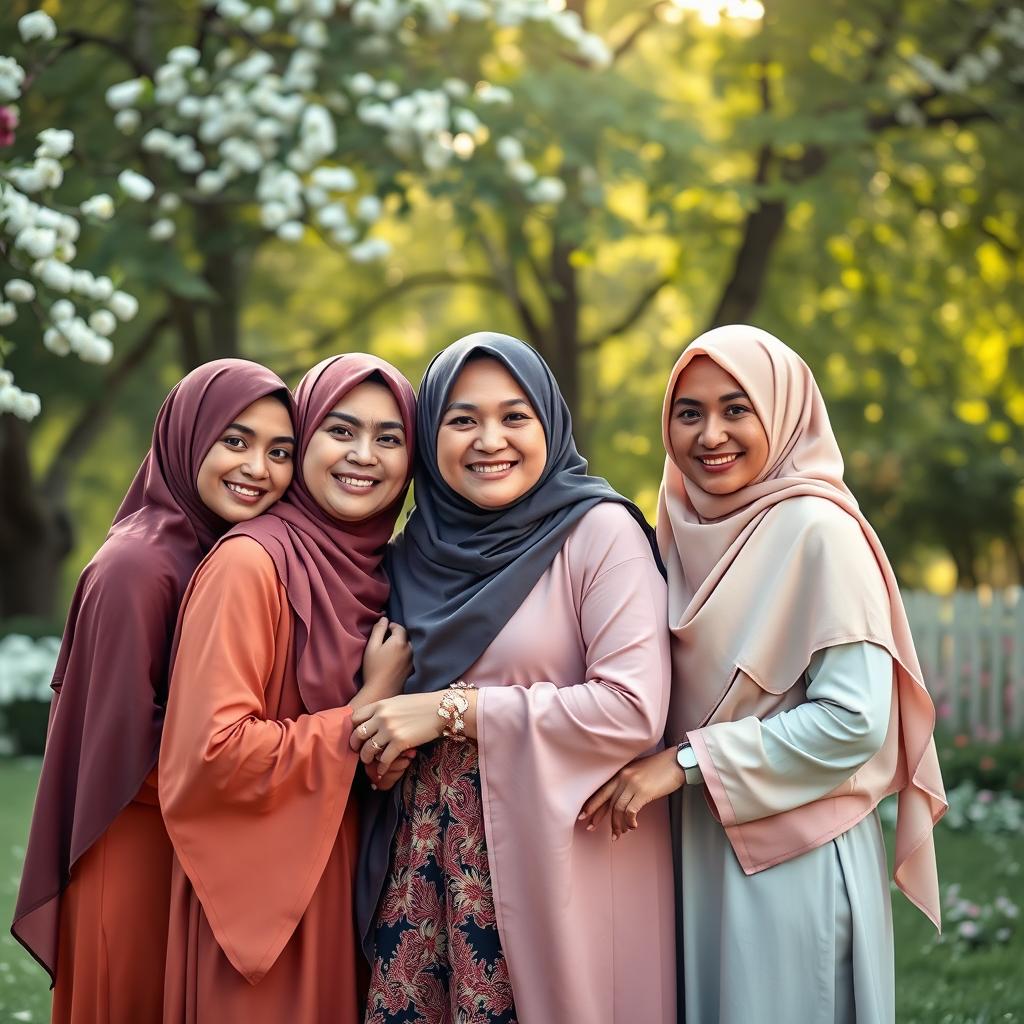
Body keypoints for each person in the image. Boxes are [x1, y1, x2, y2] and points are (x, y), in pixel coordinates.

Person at [582, 324, 947, 1024]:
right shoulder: (681, 530)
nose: (710, 434)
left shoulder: (820, 532)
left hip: (794, 855)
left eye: (736, 408)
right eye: (689, 413)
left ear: (782, 411)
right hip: (703, 840)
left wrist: (682, 762)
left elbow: (854, 723)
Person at [355, 332, 676, 1024]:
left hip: (554, 866)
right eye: (462, 419)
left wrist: (450, 711)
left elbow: (631, 709)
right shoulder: (414, 552)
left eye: (514, 416)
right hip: (424, 878)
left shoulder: (599, 534)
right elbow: (390, 713)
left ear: (549, 423)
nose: (488, 440)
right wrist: (387, 745)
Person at [12, 359, 295, 1023]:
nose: (258, 466)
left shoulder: (215, 551)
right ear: (186, 437)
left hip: (188, 849)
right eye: (236, 440)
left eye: (279, 451)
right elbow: (118, 750)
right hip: (132, 850)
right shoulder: (136, 566)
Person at [159, 354, 417, 1022]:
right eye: (340, 430)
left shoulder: (388, 572)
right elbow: (211, 755)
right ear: (305, 440)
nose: (364, 456)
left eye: (389, 438)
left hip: (346, 880)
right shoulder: (249, 565)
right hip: (256, 889)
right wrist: (367, 709)